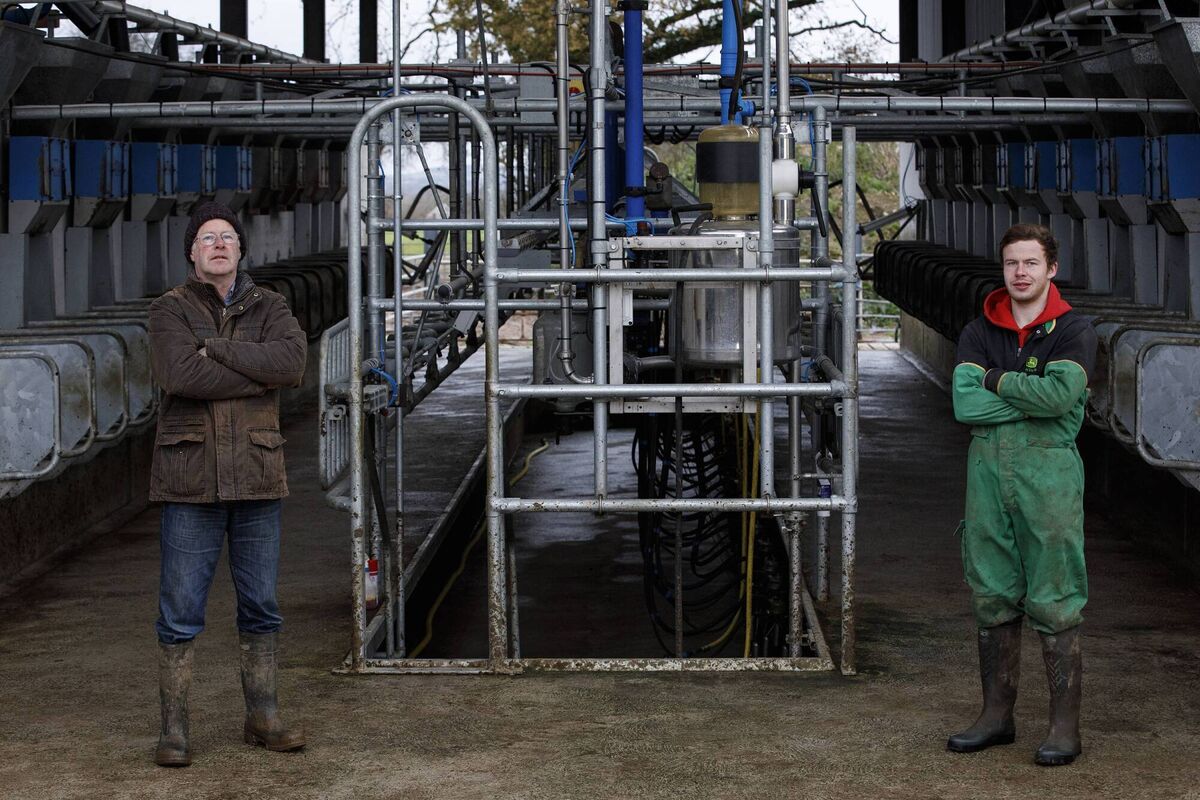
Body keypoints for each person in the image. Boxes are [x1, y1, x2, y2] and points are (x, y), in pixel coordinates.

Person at [148, 201, 307, 767]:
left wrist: (214, 348)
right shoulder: (168, 310)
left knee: (261, 604)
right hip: (191, 480)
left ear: (241, 250)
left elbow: (289, 364)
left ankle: (262, 718)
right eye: (207, 237)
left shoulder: (272, 305)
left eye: (228, 237)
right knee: (180, 608)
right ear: (192, 251)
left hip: (258, 477)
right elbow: (179, 375)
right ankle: (175, 731)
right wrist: (251, 370)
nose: (219, 244)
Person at [947, 223, 1097, 766]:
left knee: (1055, 596)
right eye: (1012, 263)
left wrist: (994, 381)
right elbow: (965, 406)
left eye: (1031, 263)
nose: (1020, 273)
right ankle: (996, 716)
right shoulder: (978, 330)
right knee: (990, 590)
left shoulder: (1074, 329)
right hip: (987, 473)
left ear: (1050, 269)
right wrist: (1028, 395)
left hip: (1048, 473)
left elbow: (1061, 397)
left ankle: (1063, 728)